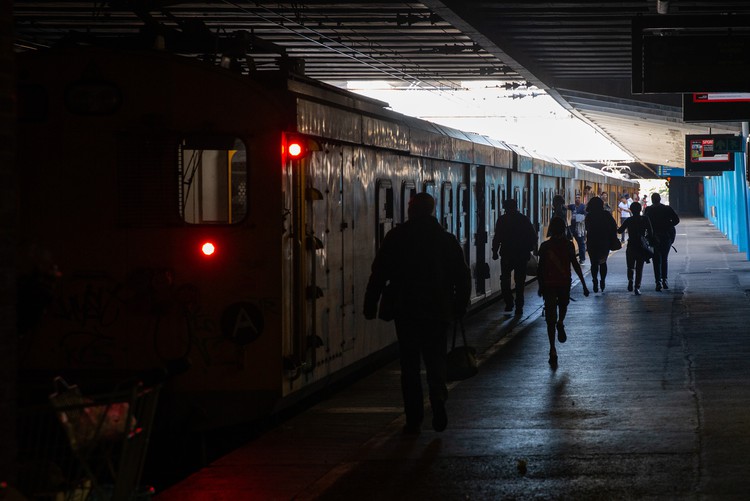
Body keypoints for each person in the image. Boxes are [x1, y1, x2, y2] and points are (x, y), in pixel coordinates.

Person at [363, 193, 471, 435]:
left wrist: (370, 303)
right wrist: (460, 306)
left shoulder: (397, 237)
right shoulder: (446, 239)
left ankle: (413, 419)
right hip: (437, 310)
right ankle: (438, 398)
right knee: (436, 360)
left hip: (406, 310)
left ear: (412, 210)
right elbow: (462, 276)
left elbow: (379, 272)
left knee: (409, 366)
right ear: (431, 210)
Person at [537, 217, 590, 367]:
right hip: (564, 283)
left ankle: (552, 349)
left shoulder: (545, 246)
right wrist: (584, 285)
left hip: (548, 284)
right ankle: (561, 322)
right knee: (563, 305)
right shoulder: (568, 245)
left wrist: (541, 286)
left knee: (549, 318)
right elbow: (576, 265)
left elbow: (540, 269)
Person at [492, 198, 537, 317]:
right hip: (521, 254)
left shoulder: (502, 220)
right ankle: (519, 306)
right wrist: (530, 249)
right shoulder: (524, 219)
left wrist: (495, 251)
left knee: (505, 280)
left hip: (507, 254)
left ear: (505, 208)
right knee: (520, 281)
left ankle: (509, 302)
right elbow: (533, 236)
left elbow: (497, 237)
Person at [644, 192, 680, 291]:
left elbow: (645, 223)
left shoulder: (648, 210)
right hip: (666, 237)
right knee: (664, 259)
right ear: (660, 199)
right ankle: (664, 280)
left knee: (656, 260)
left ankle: (658, 282)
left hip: (653, 238)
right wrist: (668, 226)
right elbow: (676, 220)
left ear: (652, 200)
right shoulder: (667, 209)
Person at [617, 201, 654, 295]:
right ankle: (637, 287)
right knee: (639, 267)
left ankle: (630, 280)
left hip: (631, 245)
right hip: (641, 246)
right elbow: (651, 232)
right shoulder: (645, 219)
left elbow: (620, 231)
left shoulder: (629, 220)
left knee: (630, 266)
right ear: (640, 209)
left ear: (631, 210)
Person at [584, 196, 618, 293]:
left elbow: (587, 228)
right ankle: (602, 280)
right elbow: (613, 226)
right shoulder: (606, 214)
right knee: (603, 262)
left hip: (592, 242)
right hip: (604, 242)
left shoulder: (589, 216)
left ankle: (594, 280)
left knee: (593, 263)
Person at [567, 194, 587, 263]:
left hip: (580, 227)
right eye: (576, 198)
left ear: (580, 199)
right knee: (568, 239)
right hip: (573, 226)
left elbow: (586, 214)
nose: (577, 199)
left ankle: (582, 259)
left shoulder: (583, 207)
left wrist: (581, 218)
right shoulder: (573, 206)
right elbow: (566, 207)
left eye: (578, 198)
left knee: (581, 243)